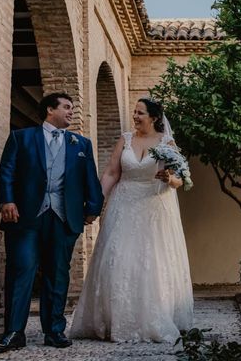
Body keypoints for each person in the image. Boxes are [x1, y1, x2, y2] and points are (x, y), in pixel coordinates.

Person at [70, 98, 194, 342]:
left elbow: (180, 180)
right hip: (123, 205)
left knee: (151, 261)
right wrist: (96, 202)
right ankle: (115, 320)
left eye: (140, 113)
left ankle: (152, 318)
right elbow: (112, 173)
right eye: (134, 112)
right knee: (118, 258)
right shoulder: (125, 139)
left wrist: (169, 178)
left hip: (153, 207)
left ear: (154, 117)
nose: (135, 116)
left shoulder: (166, 142)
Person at [0, 93, 103, 352]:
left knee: (58, 274)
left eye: (72, 108)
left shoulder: (81, 144)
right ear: (50, 109)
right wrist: (7, 200)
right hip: (25, 217)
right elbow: (7, 170)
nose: (72, 112)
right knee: (21, 271)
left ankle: (54, 331)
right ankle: (14, 332)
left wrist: (93, 208)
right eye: (66, 107)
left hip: (63, 218)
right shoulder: (21, 137)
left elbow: (89, 178)